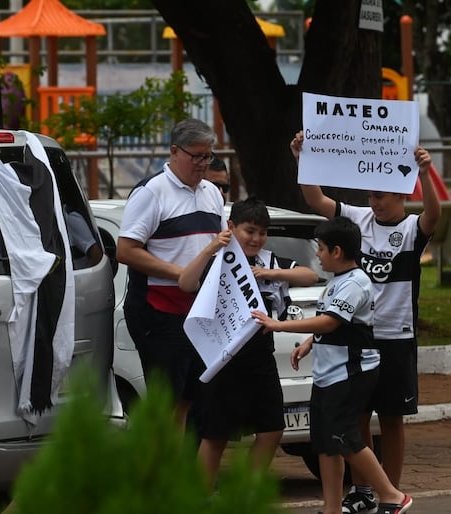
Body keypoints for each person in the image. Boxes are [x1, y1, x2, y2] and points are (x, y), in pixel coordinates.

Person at [290, 130, 441, 512]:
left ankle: (391, 489)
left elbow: (434, 215)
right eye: (370, 195)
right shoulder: (357, 219)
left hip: (397, 334)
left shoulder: (410, 229)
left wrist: (425, 172)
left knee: (392, 418)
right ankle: (362, 491)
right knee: (357, 415)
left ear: (401, 195)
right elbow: (316, 199)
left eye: (381, 196)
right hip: (359, 336)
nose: (373, 202)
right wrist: (301, 158)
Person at [252, 216, 413, 514]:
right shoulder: (338, 282)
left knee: (346, 438)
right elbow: (334, 325)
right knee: (325, 443)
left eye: (322, 248)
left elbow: (330, 321)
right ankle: (331, 508)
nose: (317, 254)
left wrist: (280, 326)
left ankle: (393, 495)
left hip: (350, 374)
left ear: (337, 252)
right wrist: (309, 343)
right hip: (328, 375)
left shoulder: (356, 283)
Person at [178, 196, 318, 489]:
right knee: (215, 435)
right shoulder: (217, 261)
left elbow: (309, 275)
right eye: (249, 231)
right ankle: (202, 498)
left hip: (261, 358)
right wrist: (211, 248)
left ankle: (245, 494)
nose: (256, 238)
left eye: (262, 232)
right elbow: (186, 283)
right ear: (231, 227)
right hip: (222, 359)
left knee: (272, 430)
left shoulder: (269, 260)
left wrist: (271, 273)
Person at [116, 118, 225, 431]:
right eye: (197, 156)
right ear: (175, 151)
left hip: (200, 313)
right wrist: (180, 273)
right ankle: (158, 475)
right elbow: (126, 250)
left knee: (188, 399)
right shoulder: (152, 192)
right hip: (159, 311)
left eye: (209, 157)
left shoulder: (212, 194)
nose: (204, 164)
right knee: (165, 401)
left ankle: (177, 471)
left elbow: (217, 247)